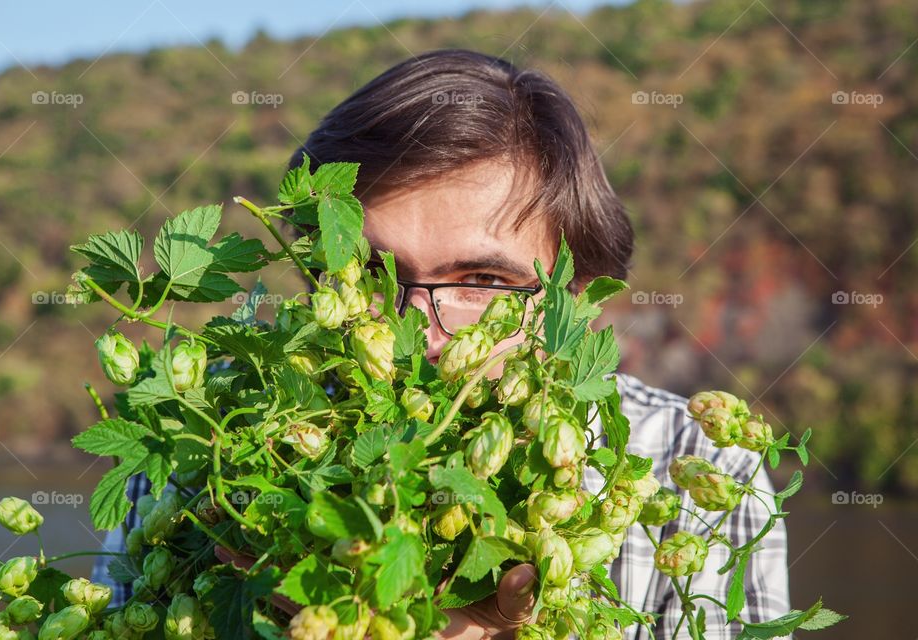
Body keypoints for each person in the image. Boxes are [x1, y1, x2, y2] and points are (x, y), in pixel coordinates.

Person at [93, 49, 790, 639]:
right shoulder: (195, 458)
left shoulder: (700, 468)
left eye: (481, 280)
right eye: (366, 272)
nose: (411, 329)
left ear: (577, 296)